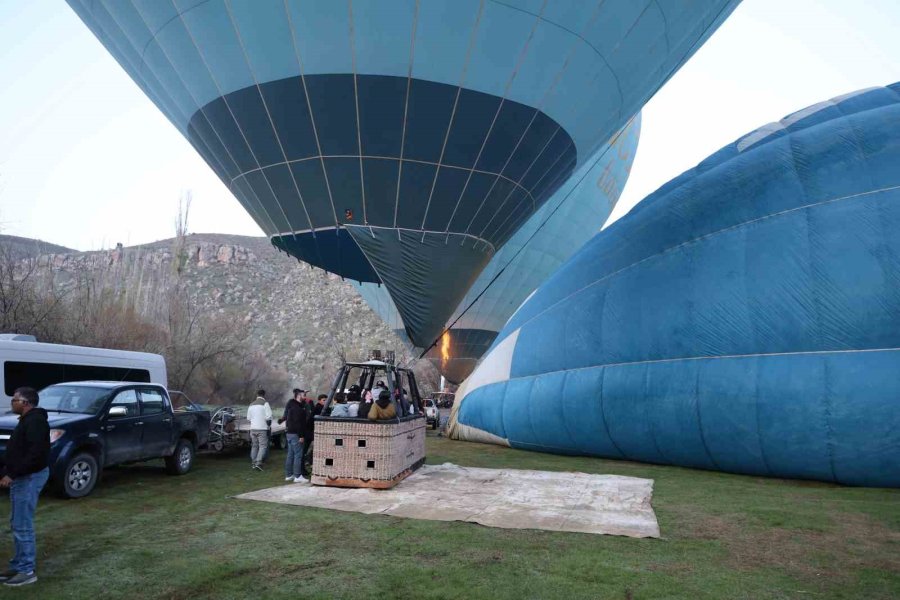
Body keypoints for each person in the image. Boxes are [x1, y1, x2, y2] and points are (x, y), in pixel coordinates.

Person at [0, 387, 50, 587]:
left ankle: (27, 570)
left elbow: (35, 455)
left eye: (15, 400)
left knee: (22, 524)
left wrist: (12, 474)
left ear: (26, 403)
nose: (12, 402)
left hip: (28, 478)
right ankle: (18, 564)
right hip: (23, 476)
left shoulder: (35, 422)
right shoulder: (27, 421)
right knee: (17, 522)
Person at [278, 389, 307, 482]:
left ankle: (289, 475)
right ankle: (298, 476)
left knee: (290, 454)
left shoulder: (291, 405)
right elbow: (298, 424)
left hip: (289, 433)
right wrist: (301, 436)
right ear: (298, 396)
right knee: (298, 455)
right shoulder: (298, 409)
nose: (305, 396)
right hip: (295, 434)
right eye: (303, 395)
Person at [247, 390, 271, 470]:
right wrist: (268, 425)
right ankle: (258, 463)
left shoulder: (251, 405)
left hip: (253, 428)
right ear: (264, 395)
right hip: (262, 429)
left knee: (254, 446)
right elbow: (269, 417)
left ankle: (253, 463)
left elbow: (249, 418)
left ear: (257, 395)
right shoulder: (265, 403)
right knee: (263, 446)